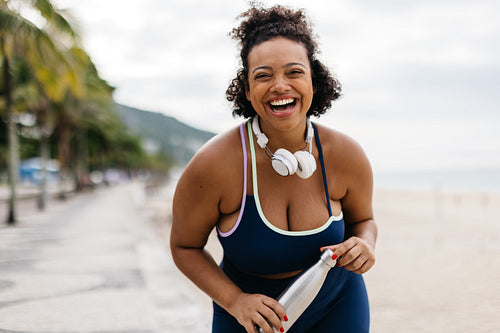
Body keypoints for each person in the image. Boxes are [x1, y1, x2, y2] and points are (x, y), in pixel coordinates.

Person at [170, 4, 377, 333]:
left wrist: (365, 244)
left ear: (314, 80)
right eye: (263, 76)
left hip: (337, 303)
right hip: (247, 315)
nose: (280, 85)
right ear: (248, 91)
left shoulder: (345, 155)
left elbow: (363, 221)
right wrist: (236, 301)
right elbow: (184, 246)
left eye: (294, 72)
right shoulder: (215, 164)